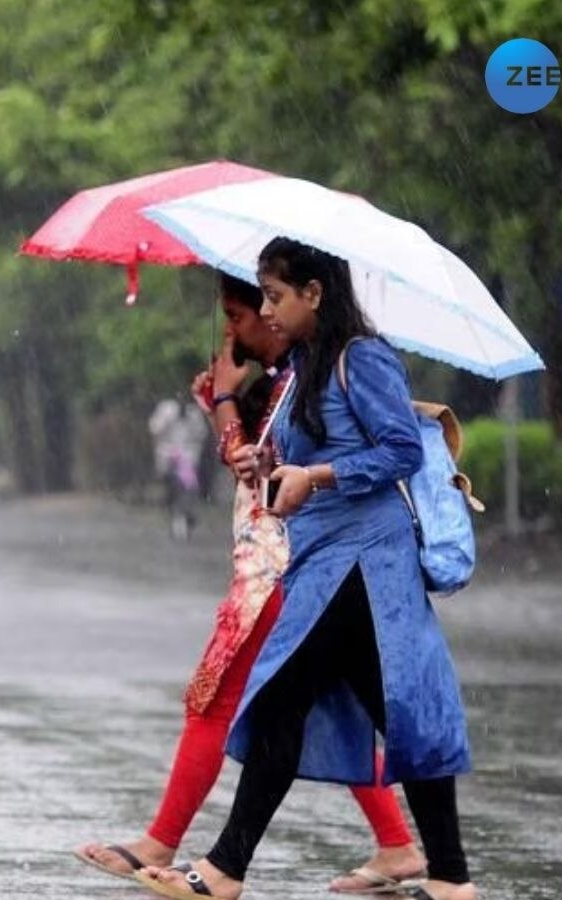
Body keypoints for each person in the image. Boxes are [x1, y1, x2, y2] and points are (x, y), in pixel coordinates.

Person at [137, 241, 476, 900]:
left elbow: (401, 451)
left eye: (275, 295)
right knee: (393, 714)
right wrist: (264, 468)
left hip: (362, 572)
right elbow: (305, 454)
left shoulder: (362, 358)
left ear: (315, 294)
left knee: (284, 706)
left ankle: (223, 870)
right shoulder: (303, 368)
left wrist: (317, 477)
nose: (267, 309)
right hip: (323, 565)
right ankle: (451, 877)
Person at [76, 273, 426, 894]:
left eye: (250, 309)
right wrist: (225, 401)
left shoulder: (311, 377)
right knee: (326, 709)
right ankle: (401, 847)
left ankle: (179, 847)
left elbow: (261, 475)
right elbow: (249, 463)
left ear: (291, 305)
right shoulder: (290, 377)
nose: (239, 324)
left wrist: (225, 403)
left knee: (218, 700)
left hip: (281, 573)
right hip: (292, 570)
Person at [149, 392, 210, 539]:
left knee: (187, 488)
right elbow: (154, 429)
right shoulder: (166, 410)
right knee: (170, 488)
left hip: (187, 457)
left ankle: (186, 514)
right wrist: (169, 420)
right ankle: (173, 512)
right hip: (167, 454)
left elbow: (201, 435)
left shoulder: (193, 414)